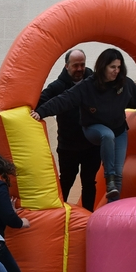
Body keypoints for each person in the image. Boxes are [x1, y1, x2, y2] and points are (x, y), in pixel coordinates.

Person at [32, 48, 136, 201]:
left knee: (107, 176)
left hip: (108, 136)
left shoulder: (123, 83)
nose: (116, 71)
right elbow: (61, 101)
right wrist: (39, 112)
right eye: (112, 67)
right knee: (70, 175)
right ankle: (106, 179)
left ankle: (109, 204)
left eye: (118, 67)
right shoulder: (83, 86)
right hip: (82, 136)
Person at [36, 49, 101, 211]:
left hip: (92, 145)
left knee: (89, 181)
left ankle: (88, 215)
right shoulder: (57, 87)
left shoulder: (94, 81)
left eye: (82, 65)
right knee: (66, 180)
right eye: (75, 65)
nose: (79, 69)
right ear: (66, 66)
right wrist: (35, 112)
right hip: (68, 146)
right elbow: (39, 102)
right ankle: (59, 214)